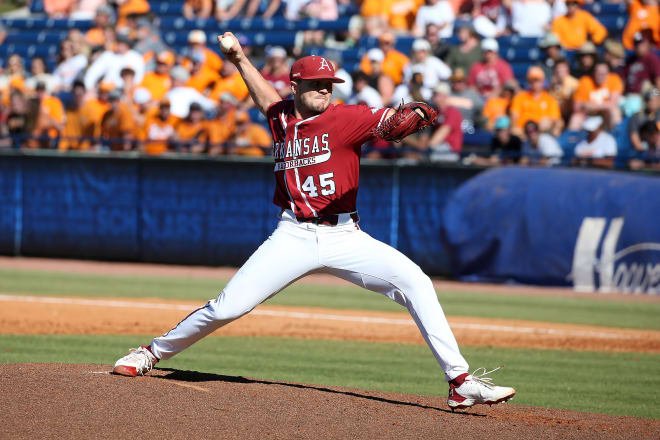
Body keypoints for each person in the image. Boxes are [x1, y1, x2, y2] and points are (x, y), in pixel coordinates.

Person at [113, 33, 516, 412]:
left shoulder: (347, 118)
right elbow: (266, 98)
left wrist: (405, 119)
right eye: (317, 83)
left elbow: (387, 122)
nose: (326, 89)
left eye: (330, 83)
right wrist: (239, 60)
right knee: (226, 308)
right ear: (296, 87)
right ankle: (151, 352)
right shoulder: (281, 118)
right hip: (293, 235)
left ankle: (459, 382)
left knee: (416, 282)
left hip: (345, 234)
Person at [569, 61, 623, 130]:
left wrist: (593, 106)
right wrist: (585, 106)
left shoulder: (614, 79)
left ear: (608, 73)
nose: (602, 76)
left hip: (605, 115)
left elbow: (612, 104)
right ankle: (572, 139)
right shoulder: (585, 81)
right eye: (599, 74)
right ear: (593, 73)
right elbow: (576, 107)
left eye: (604, 74)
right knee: (575, 118)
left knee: (614, 111)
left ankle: (616, 136)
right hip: (587, 115)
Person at [510, 66, 563, 137]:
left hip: (540, 133)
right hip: (522, 133)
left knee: (547, 122)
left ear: (542, 81)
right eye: (532, 80)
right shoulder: (520, 97)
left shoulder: (549, 99)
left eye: (537, 80)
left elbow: (556, 119)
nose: (535, 83)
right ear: (528, 81)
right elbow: (514, 117)